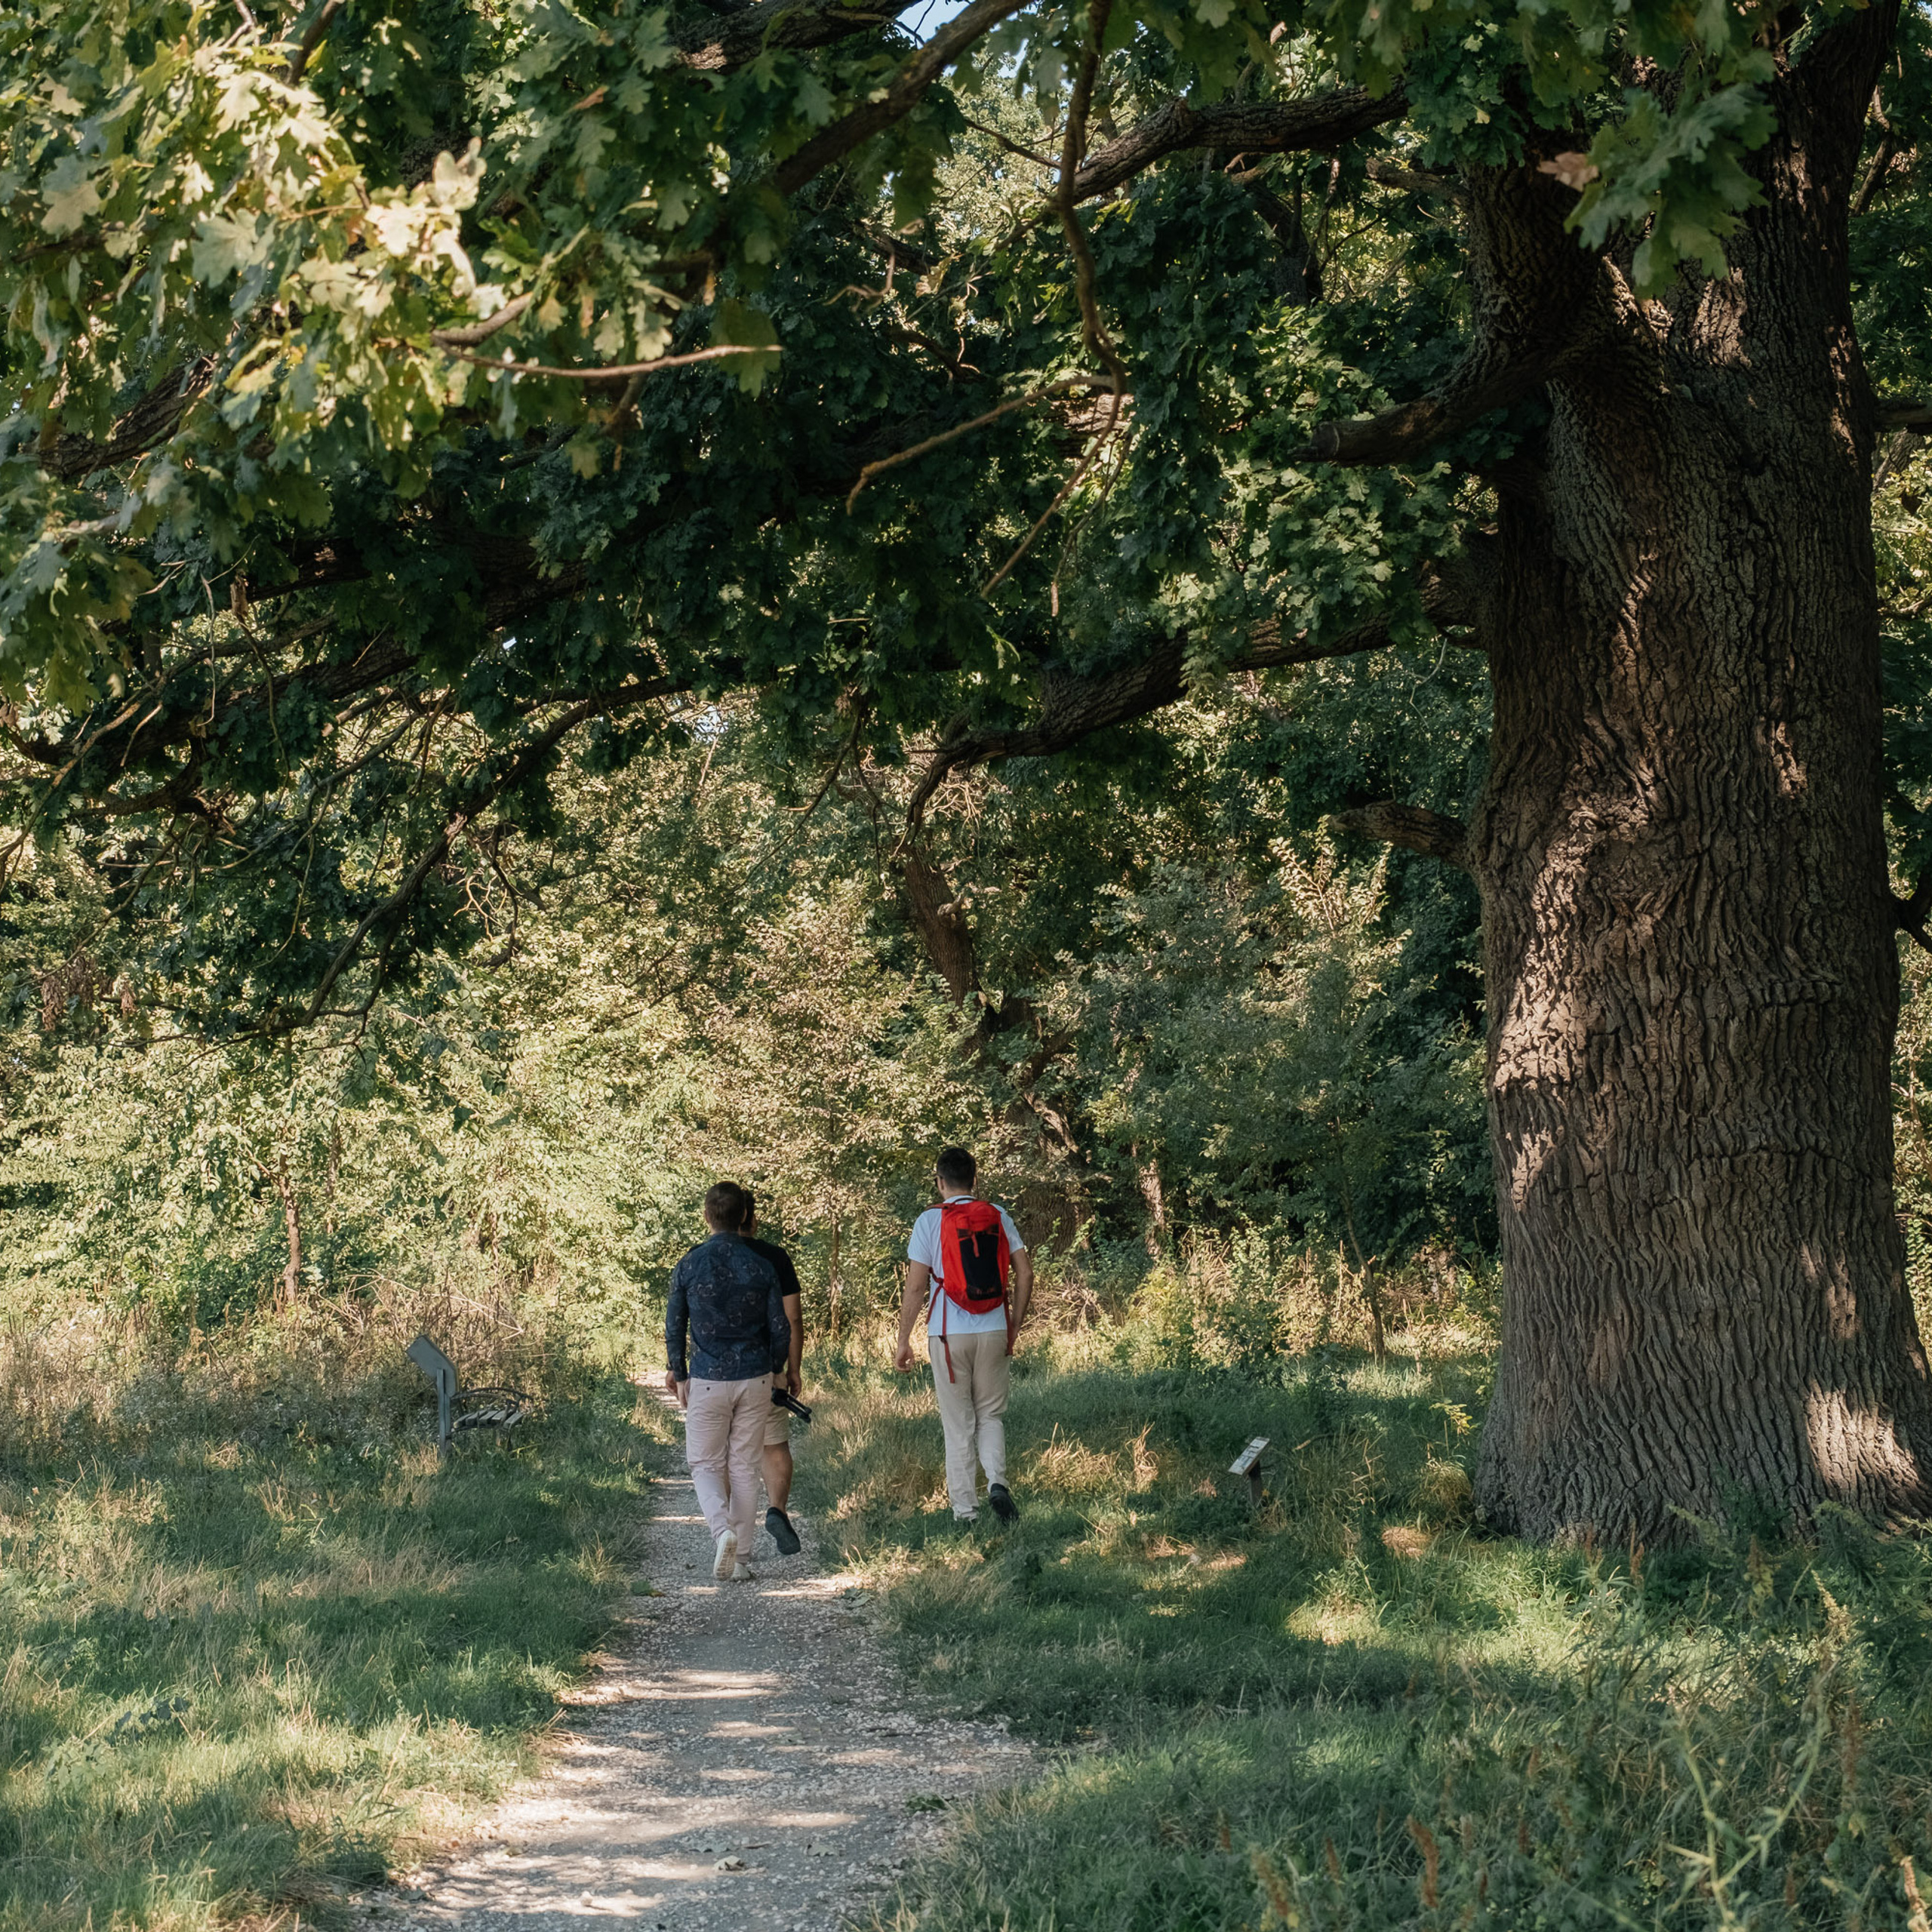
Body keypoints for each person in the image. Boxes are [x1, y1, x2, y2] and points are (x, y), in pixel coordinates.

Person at [893, 1146, 1033, 1524]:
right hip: (994, 1328)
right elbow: (1025, 1272)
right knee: (991, 1416)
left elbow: (915, 1287)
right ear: (975, 1180)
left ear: (940, 1182)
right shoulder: (998, 1215)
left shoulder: (929, 1220)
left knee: (958, 1425)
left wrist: (904, 1340)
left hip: (947, 1334)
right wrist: (1015, 1323)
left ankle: (966, 1513)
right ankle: (997, 1484)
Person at [664, 1181, 790, 1582]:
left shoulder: (689, 1264)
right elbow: (781, 1327)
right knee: (744, 1467)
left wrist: (679, 1372)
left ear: (707, 1216)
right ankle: (741, 1561)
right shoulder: (762, 1266)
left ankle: (722, 1533)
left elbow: (674, 1325)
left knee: (705, 1463)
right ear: (744, 1216)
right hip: (755, 1378)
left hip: (708, 1377)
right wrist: (776, 1368)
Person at [740, 1189, 804, 1558]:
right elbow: (792, 1318)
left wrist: (680, 1368)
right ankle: (776, 1509)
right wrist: (793, 1369)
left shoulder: (700, 1257)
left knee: (729, 1453)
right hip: (766, 1369)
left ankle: (733, 1534)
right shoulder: (776, 1258)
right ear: (753, 1220)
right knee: (774, 1445)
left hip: (715, 1373)